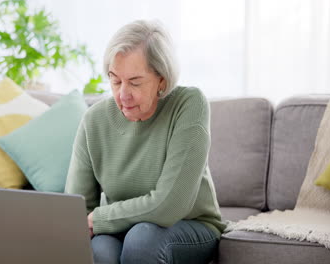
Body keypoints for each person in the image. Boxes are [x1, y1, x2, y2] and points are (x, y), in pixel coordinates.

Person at [65, 19, 226, 264]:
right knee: (100, 252)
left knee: (142, 239)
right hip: (121, 229)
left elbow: (170, 205)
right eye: (115, 80)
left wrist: (100, 219)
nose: (123, 94)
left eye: (135, 82)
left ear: (162, 79)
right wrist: (91, 221)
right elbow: (77, 210)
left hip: (189, 226)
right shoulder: (94, 120)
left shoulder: (189, 104)